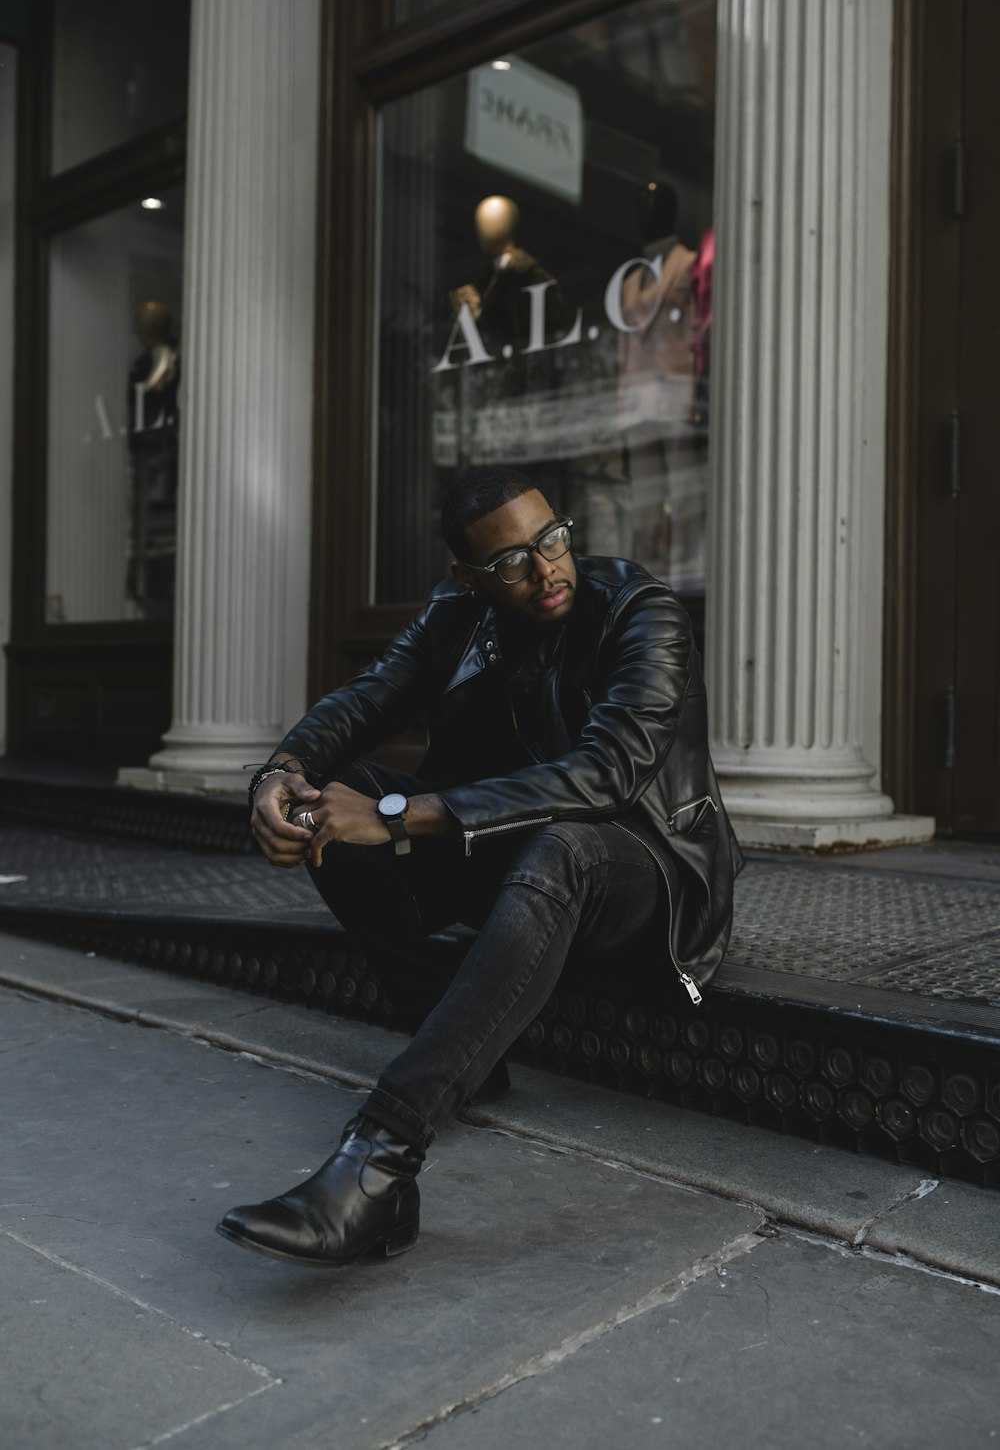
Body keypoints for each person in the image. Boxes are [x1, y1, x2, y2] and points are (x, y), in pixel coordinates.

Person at [216, 466, 742, 1268]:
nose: (546, 570)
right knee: (329, 807)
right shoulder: (456, 615)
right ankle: (460, 1044)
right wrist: (278, 776)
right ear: (469, 576)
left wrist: (394, 816)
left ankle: (381, 1163)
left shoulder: (641, 612)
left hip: (651, 876)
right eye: (513, 562)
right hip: (511, 850)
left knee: (553, 845)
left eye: (552, 540)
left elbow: (604, 777)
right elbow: (370, 698)